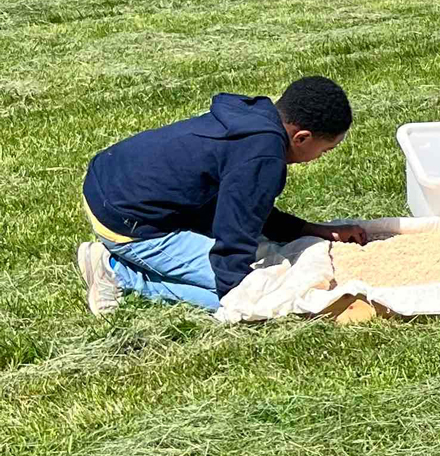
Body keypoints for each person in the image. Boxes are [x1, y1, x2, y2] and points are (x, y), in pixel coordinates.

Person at [77, 77, 365, 316]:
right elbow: (234, 235)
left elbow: (249, 207)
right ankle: (116, 272)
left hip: (107, 182)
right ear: (301, 137)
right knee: (262, 299)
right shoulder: (263, 157)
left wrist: (314, 230)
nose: (320, 158)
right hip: (127, 222)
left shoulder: (253, 121)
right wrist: (241, 297)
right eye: (325, 150)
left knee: (258, 272)